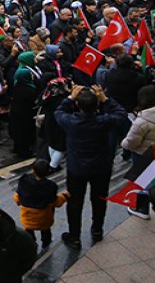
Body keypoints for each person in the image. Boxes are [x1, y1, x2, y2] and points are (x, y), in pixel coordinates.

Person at [54, 85, 127, 248]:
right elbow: (121, 114)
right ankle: (97, 230)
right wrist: (105, 99)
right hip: (101, 166)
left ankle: (74, 236)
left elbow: (58, 112)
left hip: (76, 168)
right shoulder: (104, 121)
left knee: (74, 203)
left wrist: (70, 97)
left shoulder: (71, 122)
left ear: (78, 105)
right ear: (97, 106)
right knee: (100, 199)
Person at [120, 85, 155, 218]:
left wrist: (123, 143)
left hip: (143, 154)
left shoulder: (142, 121)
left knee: (143, 181)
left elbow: (131, 143)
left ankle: (142, 208)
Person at [12, 160, 68, 247]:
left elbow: (17, 196)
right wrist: (65, 196)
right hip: (44, 219)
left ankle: (31, 243)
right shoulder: (50, 186)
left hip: (27, 218)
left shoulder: (23, 181)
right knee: (46, 232)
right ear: (48, 172)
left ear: (33, 170)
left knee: (29, 232)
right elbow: (56, 202)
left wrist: (18, 201)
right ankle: (46, 243)